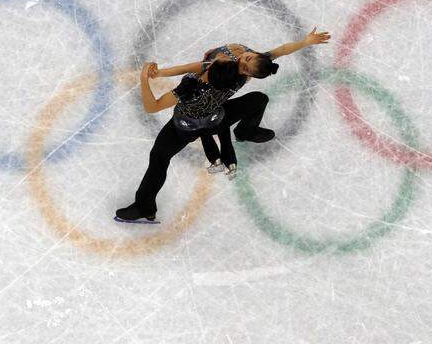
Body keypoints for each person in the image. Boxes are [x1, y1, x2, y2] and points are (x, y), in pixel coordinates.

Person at [116, 28, 330, 223]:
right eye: (244, 59)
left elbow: (153, 106)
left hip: (187, 126)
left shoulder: (192, 88)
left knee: (159, 158)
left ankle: (145, 207)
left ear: (212, 69)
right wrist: (306, 42)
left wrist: (145, 79)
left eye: (244, 64)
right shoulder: (237, 74)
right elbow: (280, 51)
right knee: (258, 99)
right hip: (217, 117)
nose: (240, 61)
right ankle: (246, 131)